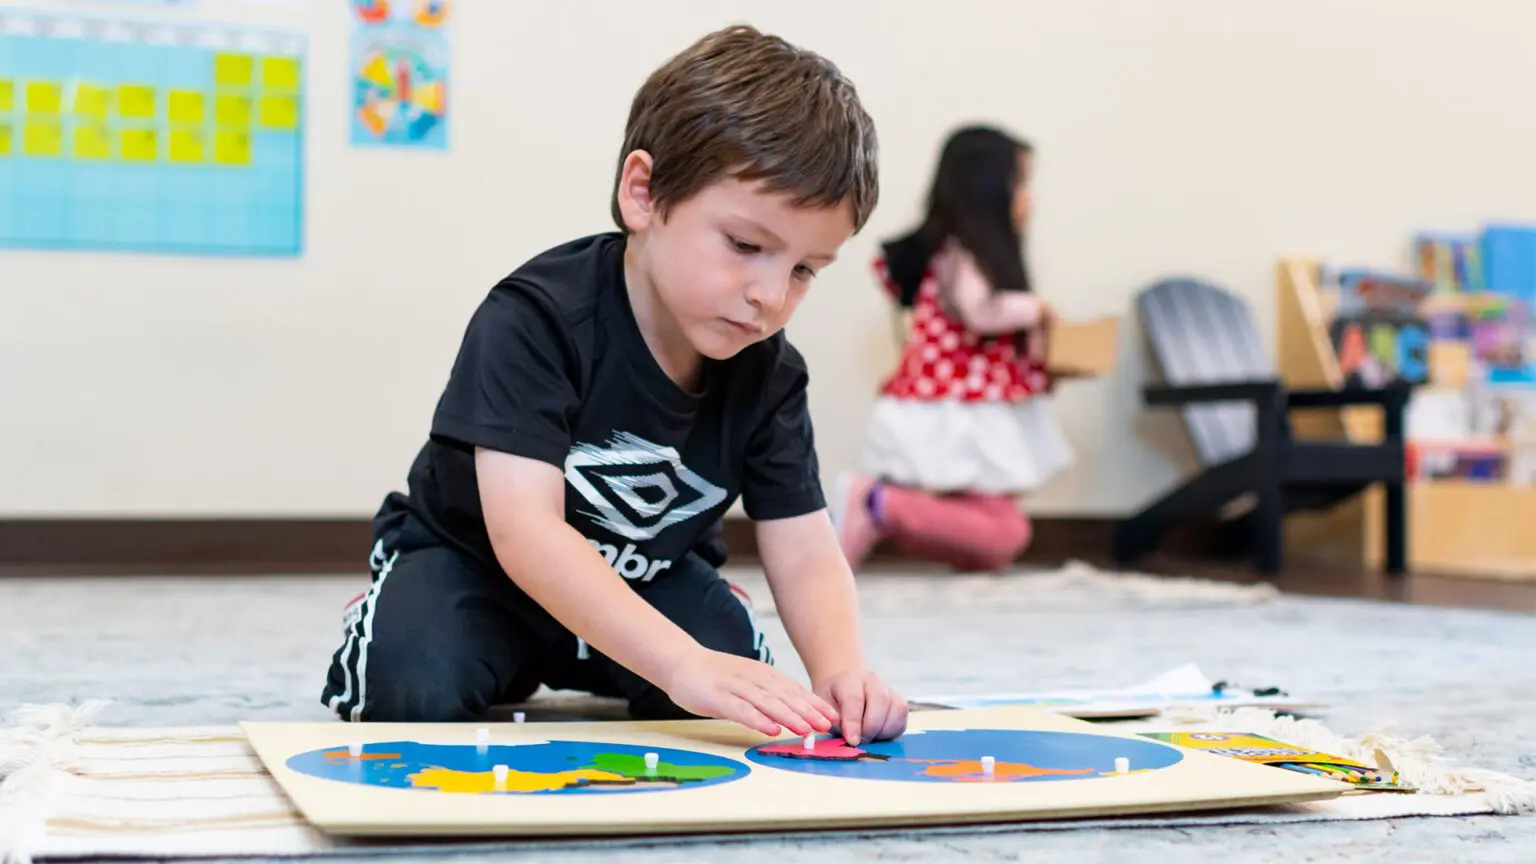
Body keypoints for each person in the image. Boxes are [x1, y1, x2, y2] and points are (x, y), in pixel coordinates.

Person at [320, 24, 908, 748]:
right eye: (746, 246)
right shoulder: (536, 318)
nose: (770, 295)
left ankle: (649, 645)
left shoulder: (769, 369)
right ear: (643, 193)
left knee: (736, 696)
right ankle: (404, 609)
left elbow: (804, 544)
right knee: (409, 688)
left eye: (804, 269)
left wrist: (841, 668)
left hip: (645, 580)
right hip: (480, 571)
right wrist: (682, 662)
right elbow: (525, 533)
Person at [833, 125, 1074, 572]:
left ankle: (883, 506)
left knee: (997, 529)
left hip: (969, 403)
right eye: (1019, 184)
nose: (1028, 198)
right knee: (1007, 533)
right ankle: (875, 501)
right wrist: (1037, 308)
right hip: (957, 404)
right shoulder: (963, 255)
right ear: (988, 190)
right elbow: (979, 312)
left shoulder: (963, 253)